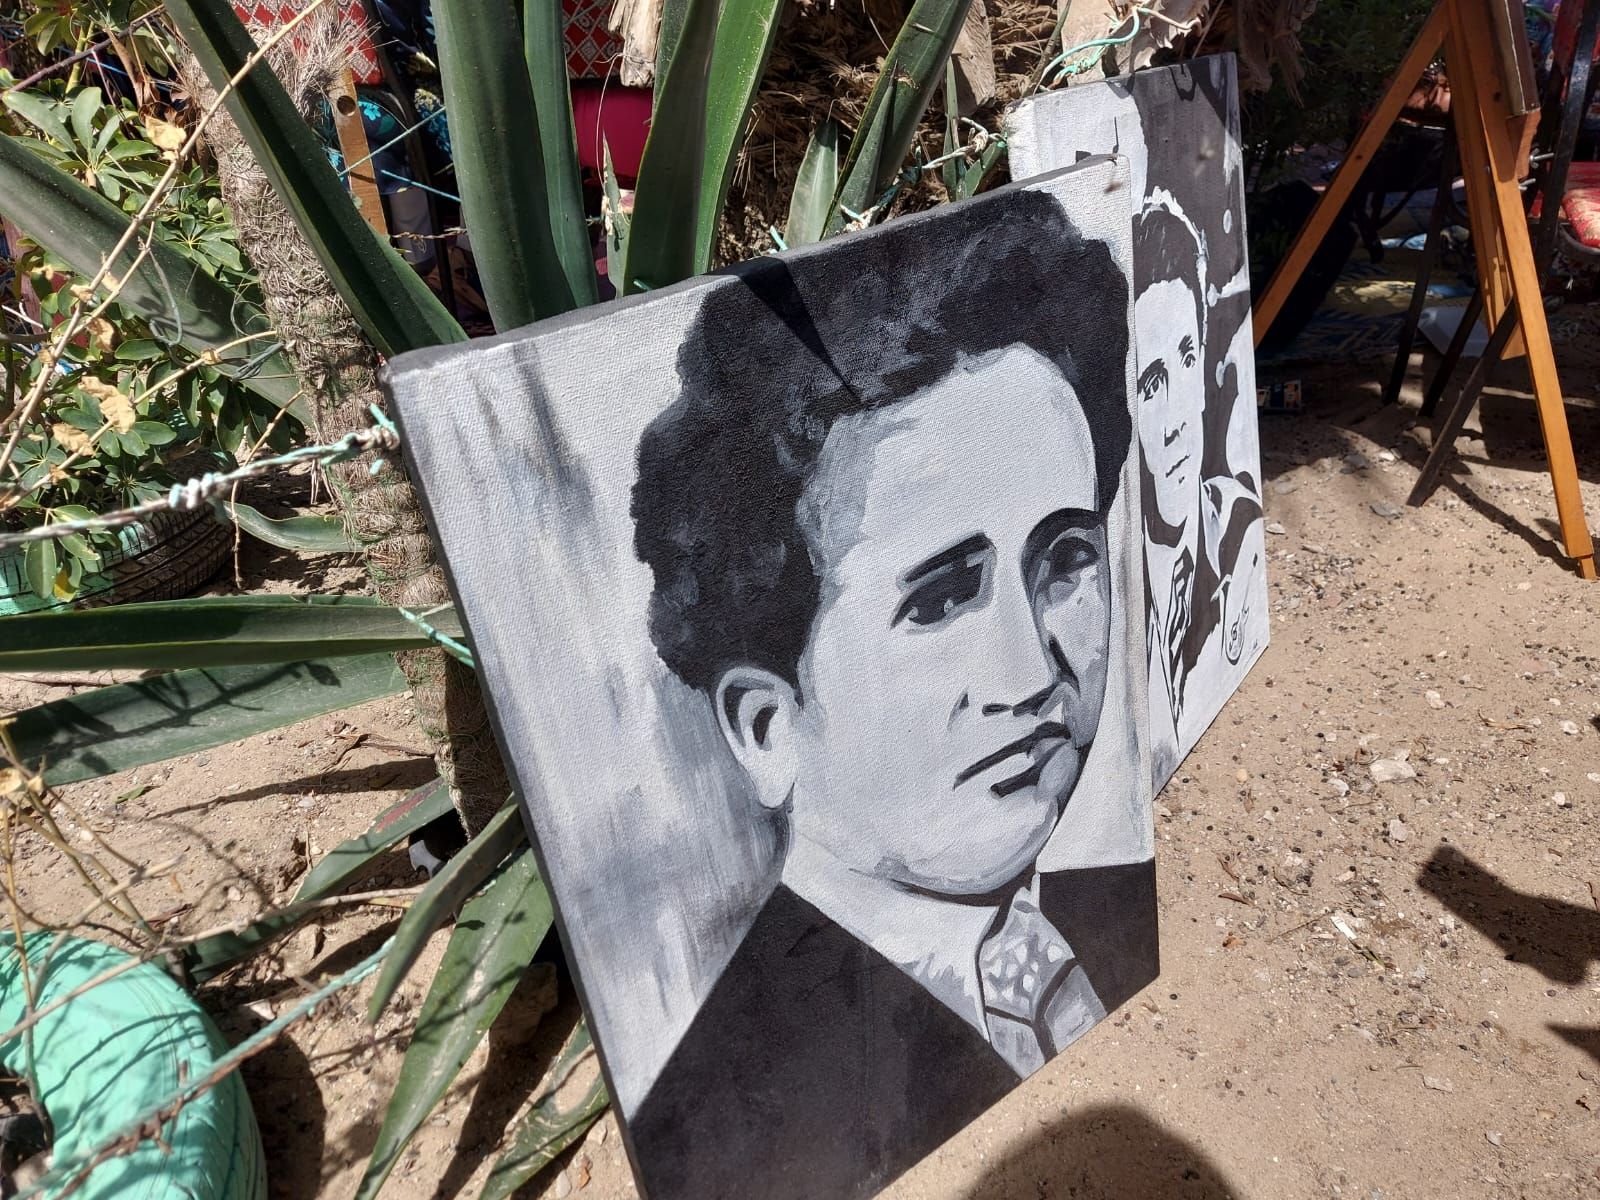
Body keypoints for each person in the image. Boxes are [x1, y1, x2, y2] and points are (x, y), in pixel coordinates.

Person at [625, 186, 1158, 1200]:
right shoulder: (737, 1119)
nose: (1031, 674)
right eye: (941, 599)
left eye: (1064, 559)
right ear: (767, 729)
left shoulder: (1114, 917)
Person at [1133, 192, 1263, 784]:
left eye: (1188, 357)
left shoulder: (1238, 530)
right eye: (1150, 382)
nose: (1177, 419)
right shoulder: (1106, 590)